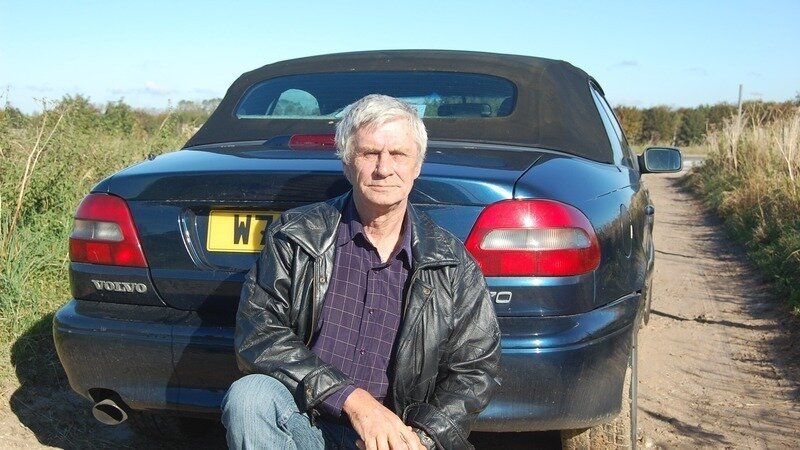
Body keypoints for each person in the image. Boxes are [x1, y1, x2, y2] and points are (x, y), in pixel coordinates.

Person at [222, 94, 501, 450]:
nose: (384, 168)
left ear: (417, 165)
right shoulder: (296, 236)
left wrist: (421, 438)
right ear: (347, 162)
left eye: (398, 154)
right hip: (307, 422)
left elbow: (475, 369)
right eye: (369, 153)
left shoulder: (452, 262)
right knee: (250, 397)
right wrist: (354, 401)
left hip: (395, 438)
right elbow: (258, 334)